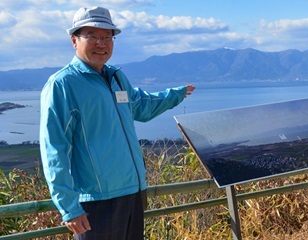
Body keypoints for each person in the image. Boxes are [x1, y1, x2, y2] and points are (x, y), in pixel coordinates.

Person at [39, 6, 195, 240]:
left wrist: (176, 94)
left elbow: (141, 106)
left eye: (107, 36)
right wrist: (69, 208)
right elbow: (54, 149)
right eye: (92, 36)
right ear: (74, 40)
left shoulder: (116, 77)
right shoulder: (62, 85)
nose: (101, 43)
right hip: (97, 201)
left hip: (133, 192)